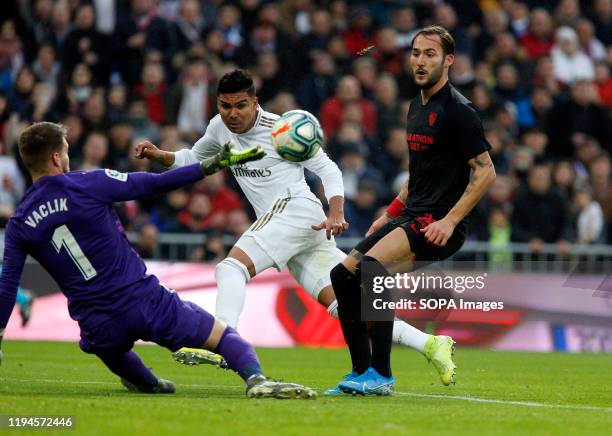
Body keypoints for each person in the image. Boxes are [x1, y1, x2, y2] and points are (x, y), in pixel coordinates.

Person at [136, 69, 456, 386]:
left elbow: (327, 168)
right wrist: (159, 155)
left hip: (296, 210)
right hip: (295, 228)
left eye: (240, 106)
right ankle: (430, 344)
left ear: (255, 102)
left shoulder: (284, 129)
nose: (233, 114)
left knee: (231, 268)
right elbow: (194, 158)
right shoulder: (219, 128)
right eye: (225, 106)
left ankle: (223, 340)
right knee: (345, 308)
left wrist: (336, 211)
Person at [0, 121, 317, 399]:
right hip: (144, 299)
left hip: (97, 322)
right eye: (65, 150)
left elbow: (7, 288)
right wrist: (208, 166)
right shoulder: (88, 183)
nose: (67, 156)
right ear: (57, 157)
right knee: (223, 336)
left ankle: (149, 383)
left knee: (117, 357)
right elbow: (154, 183)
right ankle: (256, 379)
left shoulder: (20, 221)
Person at [327, 26, 496, 396]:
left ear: (448, 61)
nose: (420, 61)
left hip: (436, 221)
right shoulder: (415, 106)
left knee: (373, 270)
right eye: (416, 53)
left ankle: (382, 375)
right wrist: (389, 213)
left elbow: (486, 172)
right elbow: (418, 173)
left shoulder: (459, 111)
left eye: (430, 54)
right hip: (409, 216)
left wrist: (451, 221)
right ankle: (360, 373)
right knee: (342, 276)